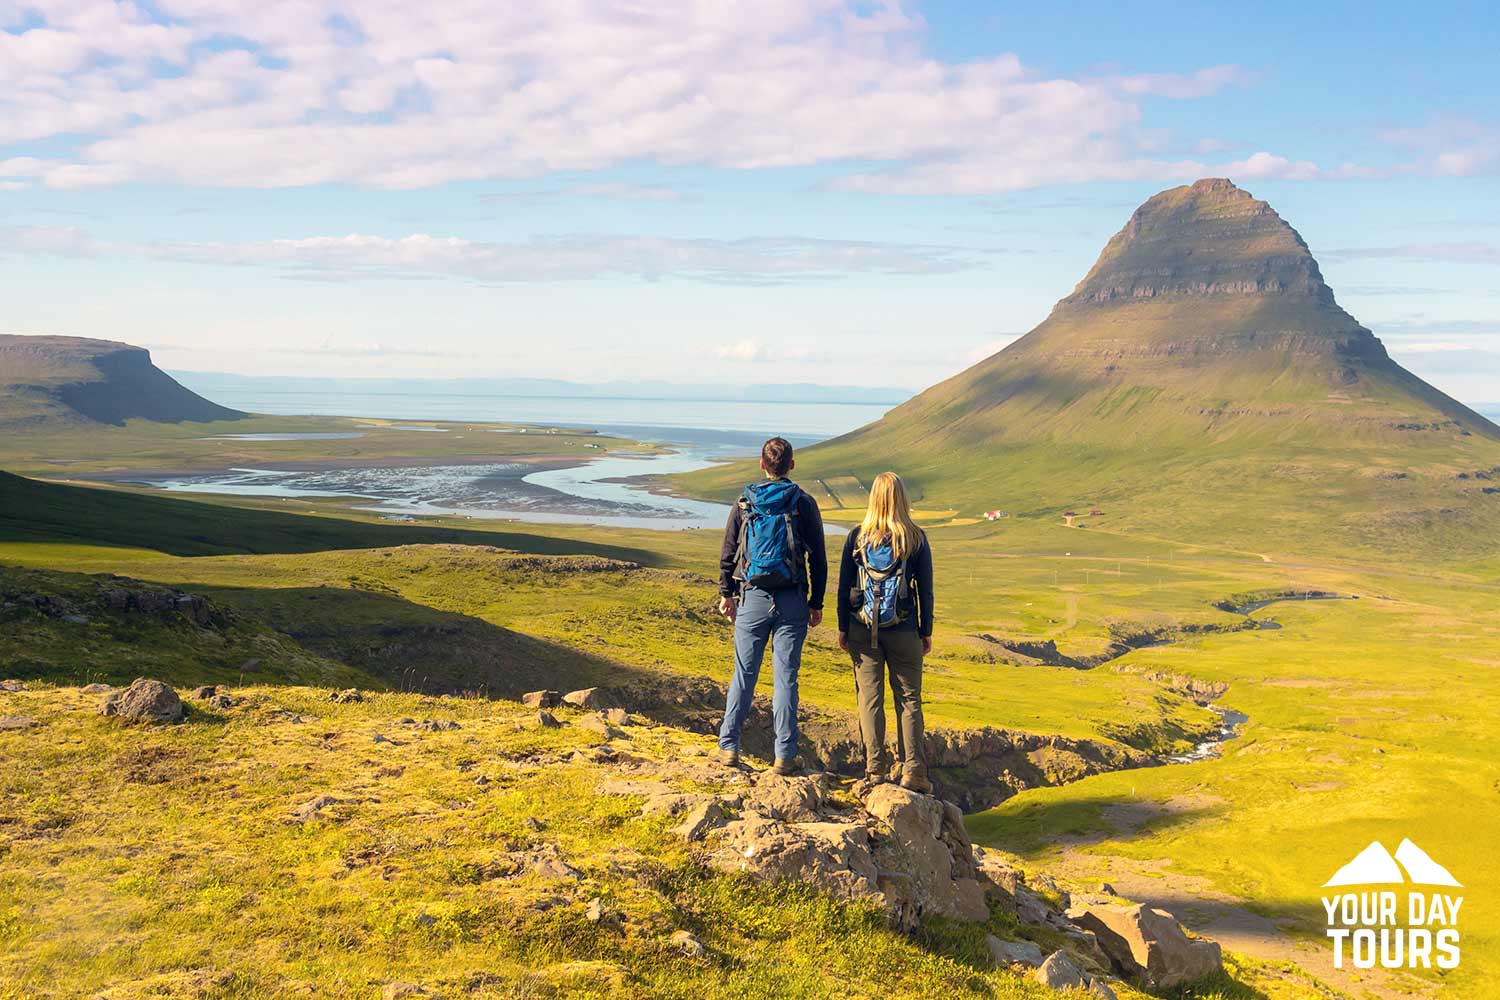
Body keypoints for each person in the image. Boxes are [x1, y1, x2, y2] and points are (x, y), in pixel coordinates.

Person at [717, 436, 826, 773]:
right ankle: (784, 756)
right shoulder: (803, 503)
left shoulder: (744, 502)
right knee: (786, 679)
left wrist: (726, 593)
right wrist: (816, 602)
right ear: (791, 464)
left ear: (762, 464)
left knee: (744, 675)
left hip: (752, 596)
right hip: (792, 599)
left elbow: (728, 550)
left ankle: (729, 748)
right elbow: (818, 559)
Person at [837, 471, 934, 792]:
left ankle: (874, 770)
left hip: (862, 629)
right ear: (902, 499)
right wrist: (925, 631)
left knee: (870, 699)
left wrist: (843, 627)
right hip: (904, 628)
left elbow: (843, 587)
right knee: (909, 699)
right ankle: (914, 773)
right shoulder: (915, 538)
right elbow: (927, 591)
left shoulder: (856, 537)